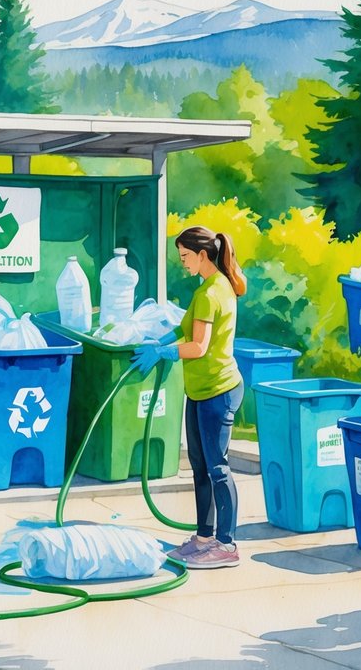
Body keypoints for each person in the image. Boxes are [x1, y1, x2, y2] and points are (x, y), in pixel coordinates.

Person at [131, 226, 246, 569]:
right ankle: (204, 538)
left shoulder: (214, 292)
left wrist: (164, 354)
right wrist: (159, 340)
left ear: (202, 255)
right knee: (199, 468)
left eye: (184, 257)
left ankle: (226, 546)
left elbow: (198, 347)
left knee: (217, 468)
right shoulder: (206, 289)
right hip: (199, 392)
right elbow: (185, 329)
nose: (182, 263)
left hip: (218, 392)